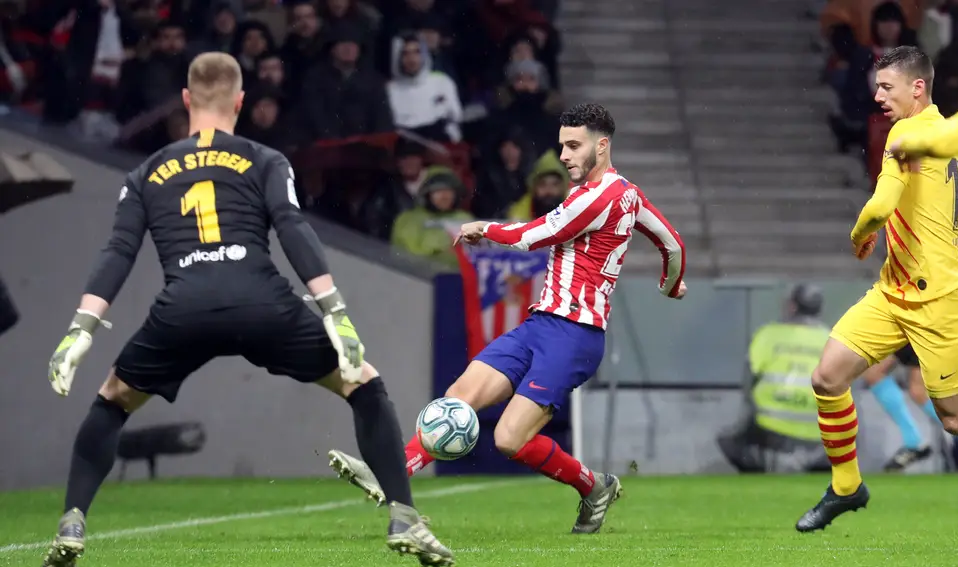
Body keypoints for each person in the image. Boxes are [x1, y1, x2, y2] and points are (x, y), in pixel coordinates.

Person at [40, 52, 453, 567]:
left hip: (184, 309)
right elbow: (293, 228)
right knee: (364, 385)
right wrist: (336, 312)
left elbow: (119, 251)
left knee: (111, 401)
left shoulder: (145, 172)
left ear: (187, 100)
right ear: (240, 101)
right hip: (263, 304)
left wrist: (82, 329)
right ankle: (404, 516)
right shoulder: (265, 159)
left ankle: (74, 519)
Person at [326, 103, 687, 534]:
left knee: (509, 440)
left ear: (602, 145)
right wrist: (670, 284)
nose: (565, 156)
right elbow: (672, 243)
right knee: (458, 396)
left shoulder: (603, 196)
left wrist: (485, 227)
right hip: (540, 326)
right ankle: (391, 475)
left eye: (574, 146)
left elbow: (538, 235)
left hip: (576, 336)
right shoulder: (623, 194)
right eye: (562, 146)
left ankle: (594, 487)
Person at [796, 46, 958, 533]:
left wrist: (860, 234)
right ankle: (846, 486)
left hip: (940, 300)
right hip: (894, 291)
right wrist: (935, 236)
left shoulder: (905, 132)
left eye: (886, 87)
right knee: (828, 377)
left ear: (917, 87)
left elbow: (881, 204)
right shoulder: (952, 140)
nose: (877, 95)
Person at [716, 284, 831, 474]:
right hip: (818, 431)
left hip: (771, 427)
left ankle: (758, 477)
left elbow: (748, 382)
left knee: (731, 442)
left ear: (792, 306)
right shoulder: (831, 339)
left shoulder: (768, 334)